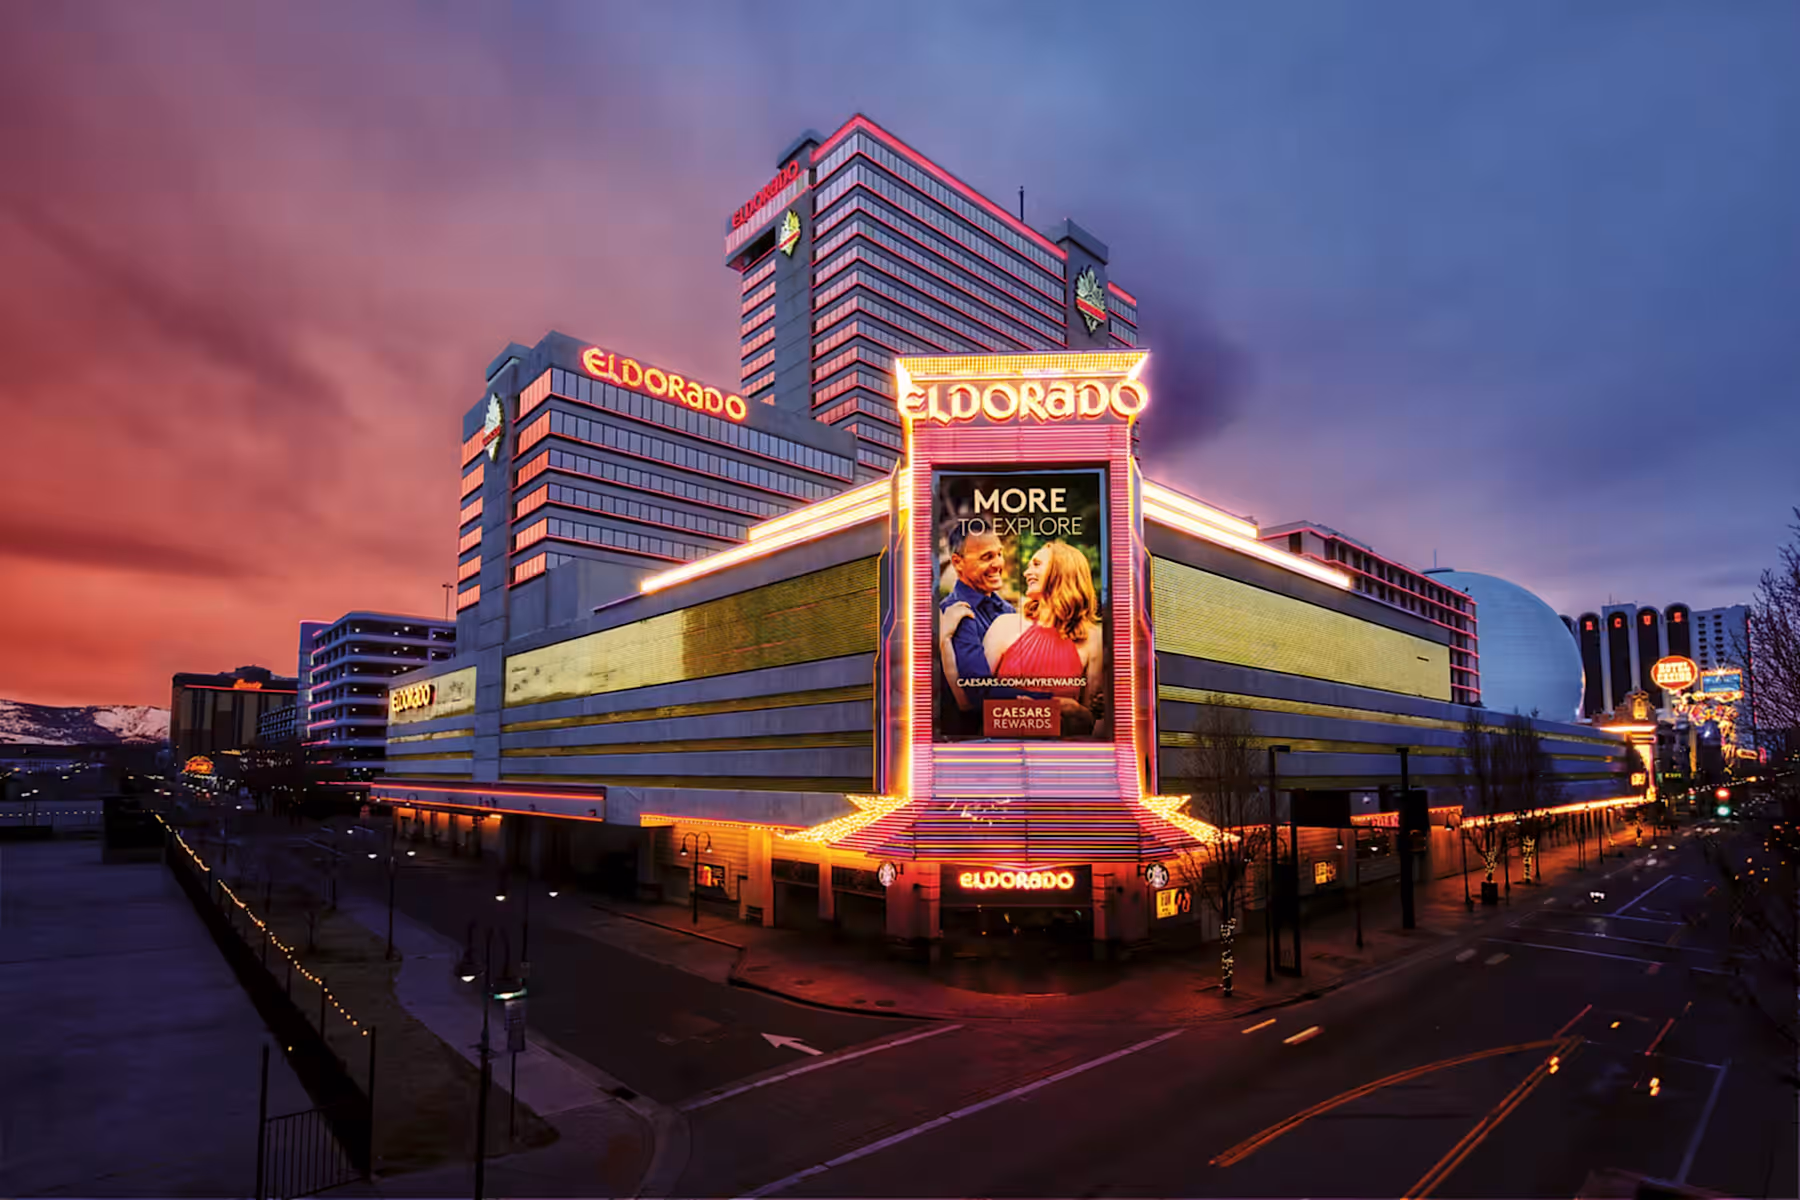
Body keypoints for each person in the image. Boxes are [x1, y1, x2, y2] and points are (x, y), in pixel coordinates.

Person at [944, 540, 1105, 737]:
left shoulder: (1092, 638)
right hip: (999, 753)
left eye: (1036, 564)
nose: (1026, 573)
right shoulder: (1005, 625)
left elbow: (1089, 723)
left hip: (1058, 758)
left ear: (1063, 570)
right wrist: (945, 639)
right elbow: (968, 700)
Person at [936, 523, 1017, 736]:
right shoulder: (956, 614)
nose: (998, 563)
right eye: (987, 557)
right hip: (972, 743)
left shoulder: (1008, 610)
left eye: (999, 553)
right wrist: (1051, 702)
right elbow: (976, 695)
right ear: (957, 563)